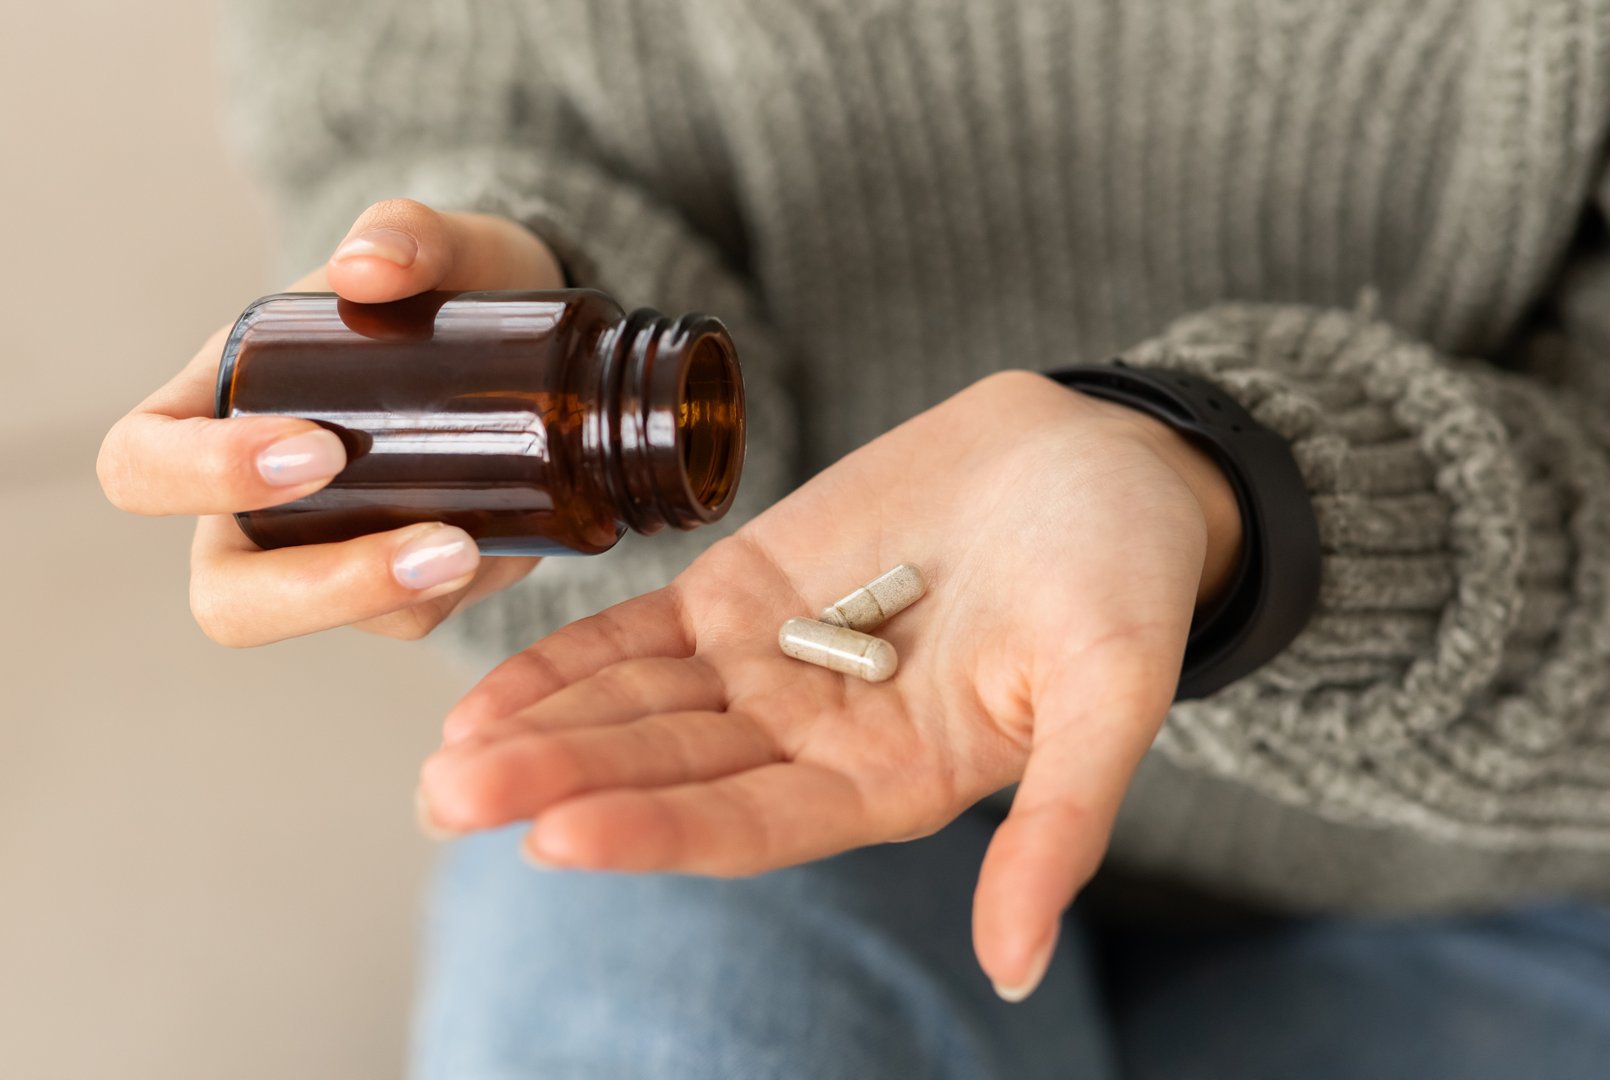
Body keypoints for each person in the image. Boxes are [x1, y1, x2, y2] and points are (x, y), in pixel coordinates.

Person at [98, 1, 1610, 1077]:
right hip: (769, 755)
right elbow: (440, 112)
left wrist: (1238, 516)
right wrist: (519, 297)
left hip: (1497, 868)